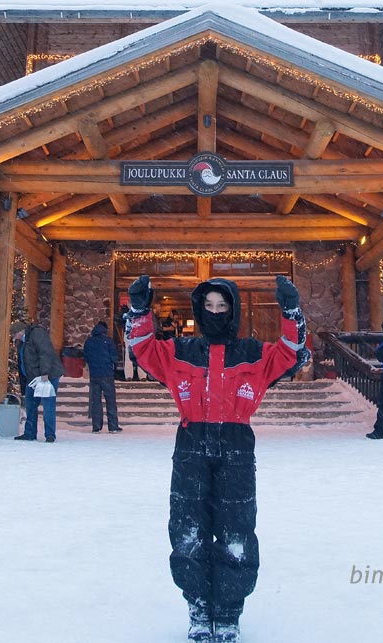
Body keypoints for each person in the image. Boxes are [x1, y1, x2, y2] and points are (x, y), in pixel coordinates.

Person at [126, 273, 309, 643]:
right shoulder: (180, 351)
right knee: (188, 529)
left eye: (222, 305)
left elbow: (289, 350)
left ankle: (227, 612)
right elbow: (143, 348)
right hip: (191, 443)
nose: (215, 311)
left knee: (235, 529)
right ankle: (198, 608)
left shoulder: (253, 352)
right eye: (208, 306)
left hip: (236, 444)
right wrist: (139, 310)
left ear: (233, 309)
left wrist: (291, 310)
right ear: (199, 308)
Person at [11, 321, 64, 443]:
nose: (14, 337)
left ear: (19, 332)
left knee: (48, 405)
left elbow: (46, 353)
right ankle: (29, 433)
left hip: (48, 376)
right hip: (33, 378)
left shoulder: (37, 334)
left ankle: (50, 435)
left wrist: (45, 373)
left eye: (14, 334)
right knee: (30, 405)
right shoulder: (23, 341)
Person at [83, 320, 123, 433]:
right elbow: (114, 357)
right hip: (107, 374)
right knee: (110, 400)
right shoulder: (108, 341)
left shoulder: (89, 341)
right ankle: (113, 425)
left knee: (96, 401)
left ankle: (96, 426)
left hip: (94, 374)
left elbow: (85, 356)